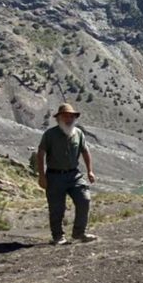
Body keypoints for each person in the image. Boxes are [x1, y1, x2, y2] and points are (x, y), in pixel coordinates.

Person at [36, 103, 97, 245]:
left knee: (84, 199)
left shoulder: (78, 133)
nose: (69, 119)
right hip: (55, 176)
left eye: (71, 116)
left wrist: (90, 171)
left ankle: (79, 233)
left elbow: (85, 151)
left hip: (74, 175)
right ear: (59, 118)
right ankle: (58, 236)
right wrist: (41, 176)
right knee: (57, 208)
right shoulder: (50, 134)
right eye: (65, 116)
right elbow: (40, 154)